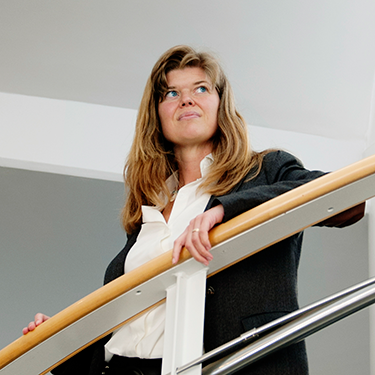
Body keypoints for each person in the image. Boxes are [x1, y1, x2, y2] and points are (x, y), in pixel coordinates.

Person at [23, 45, 365, 375]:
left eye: (200, 88)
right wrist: (59, 343)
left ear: (220, 103)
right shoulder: (149, 212)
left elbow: (349, 202)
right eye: (171, 93)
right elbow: (134, 333)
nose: (186, 98)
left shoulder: (266, 170)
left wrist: (225, 210)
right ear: (157, 115)